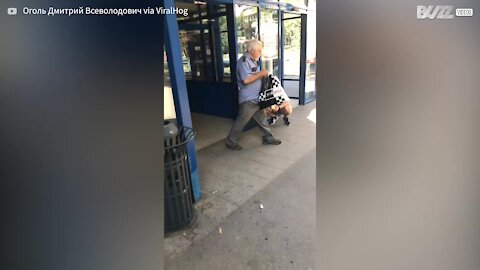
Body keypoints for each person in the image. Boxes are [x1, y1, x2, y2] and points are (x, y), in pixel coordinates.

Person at [225, 39, 282, 150]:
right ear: (252, 50)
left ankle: (268, 137)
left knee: (262, 118)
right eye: (259, 50)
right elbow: (246, 80)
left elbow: (253, 76)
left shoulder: (252, 61)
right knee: (241, 121)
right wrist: (260, 74)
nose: (260, 53)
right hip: (248, 99)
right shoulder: (243, 61)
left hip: (256, 98)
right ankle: (230, 141)